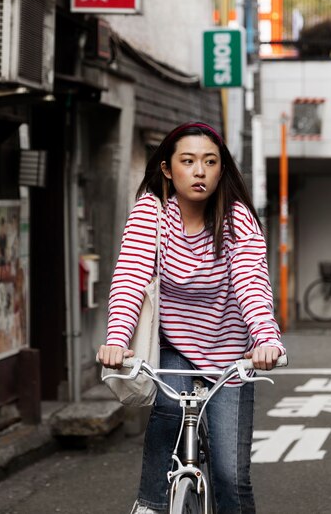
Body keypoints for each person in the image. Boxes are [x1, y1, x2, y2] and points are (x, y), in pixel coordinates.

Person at [98, 121, 285, 514]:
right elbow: (131, 274)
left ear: (221, 169)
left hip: (233, 355)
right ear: (168, 168)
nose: (199, 171)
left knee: (231, 477)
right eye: (188, 161)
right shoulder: (152, 211)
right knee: (168, 412)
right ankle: (149, 505)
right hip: (175, 347)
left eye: (210, 162)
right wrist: (117, 339)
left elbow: (252, 282)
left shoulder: (239, 219)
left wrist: (265, 339)